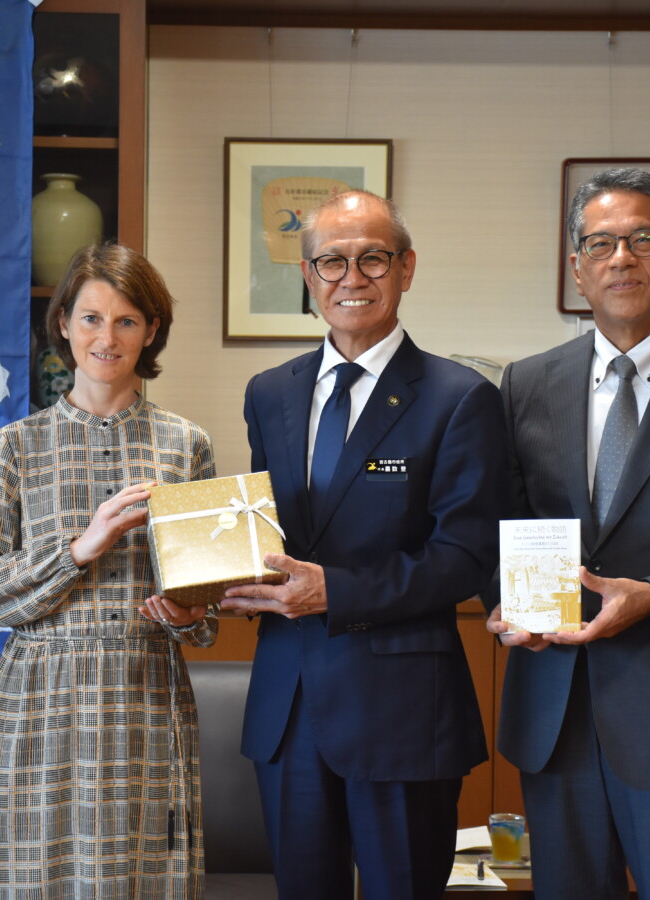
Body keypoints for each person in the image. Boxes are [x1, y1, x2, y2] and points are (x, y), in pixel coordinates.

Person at [221, 190, 509, 899]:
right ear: (307, 274)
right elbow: (272, 529)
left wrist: (335, 591)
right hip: (288, 706)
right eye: (332, 261)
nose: (352, 278)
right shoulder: (269, 393)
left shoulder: (459, 397)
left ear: (406, 268)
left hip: (402, 712)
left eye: (373, 259)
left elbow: (464, 557)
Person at [0, 242, 217, 900]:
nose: (107, 337)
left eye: (127, 321)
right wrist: (78, 548)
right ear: (64, 323)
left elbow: (208, 614)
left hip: (144, 692)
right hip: (40, 699)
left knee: (143, 875)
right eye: (91, 318)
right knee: (31, 876)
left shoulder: (186, 445)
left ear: (151, 331)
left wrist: (189, 613)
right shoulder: (14, 446)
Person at [486, 167, 650, 900]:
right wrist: (504, 602)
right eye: (600, 244)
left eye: (643, 240)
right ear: (577, 268)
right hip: (556, 713)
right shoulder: (527, 383)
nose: (621, 258)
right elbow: (502, 521)